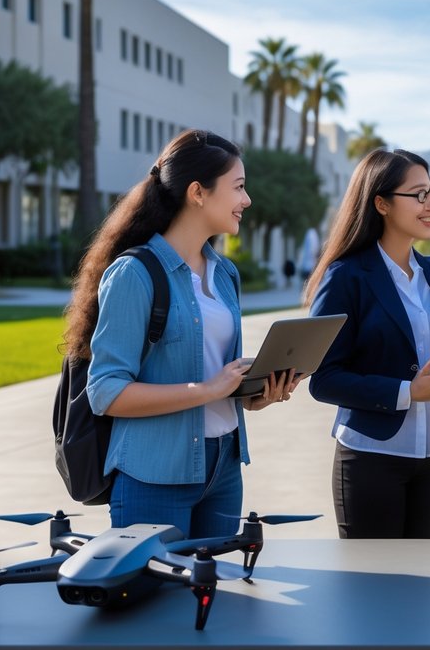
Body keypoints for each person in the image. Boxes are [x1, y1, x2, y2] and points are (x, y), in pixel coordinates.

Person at [73, 130, 297, 538]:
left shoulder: (225, 274)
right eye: (239, 187)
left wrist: (256, 393)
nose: (246, 200)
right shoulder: (134, 274)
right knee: (153, 599)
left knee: (216, 596)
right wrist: (207, 389)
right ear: (198, 192)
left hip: (224, 470)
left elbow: (219, 380)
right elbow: (105, 392)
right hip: (153, 476)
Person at [306, 149, 430, 538]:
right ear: (381, 203)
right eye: (418, 195)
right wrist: (407, 391)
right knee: (375, 590)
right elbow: (323, 379)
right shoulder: (347, 276)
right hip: (371, 459)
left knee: (424, 586)